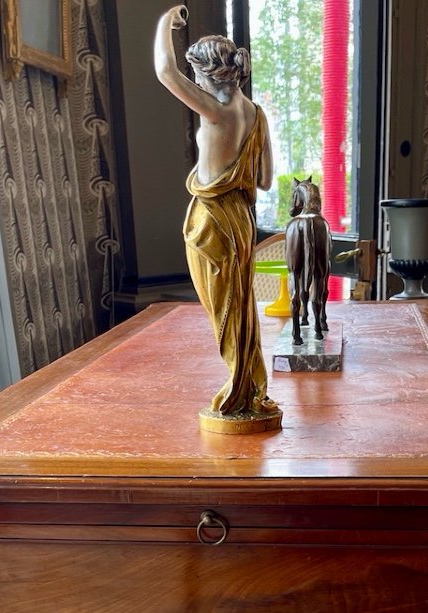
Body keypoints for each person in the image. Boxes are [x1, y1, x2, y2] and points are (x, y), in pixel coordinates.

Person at [154, 6, 280, 431]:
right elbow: (264, 181)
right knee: (240, 306)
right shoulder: (256, 115)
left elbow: (165, 73)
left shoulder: (215, 110)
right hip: (240, 219)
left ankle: (237, 392)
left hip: (211, 221)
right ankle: (246, 389)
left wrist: (166, 22)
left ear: (207, 75)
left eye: (198, 73)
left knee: (223, 310)